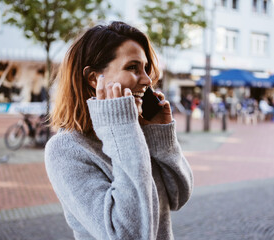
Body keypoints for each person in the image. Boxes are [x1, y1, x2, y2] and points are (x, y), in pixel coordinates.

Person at [45, 21, 193, 240]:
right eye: (132, 67)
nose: (146, 80)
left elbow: (178, 196)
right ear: (94, 78)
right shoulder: (66, 149)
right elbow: (127, 234)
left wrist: (161, 138)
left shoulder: (137, 133)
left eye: (145, 68)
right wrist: (122, 131)